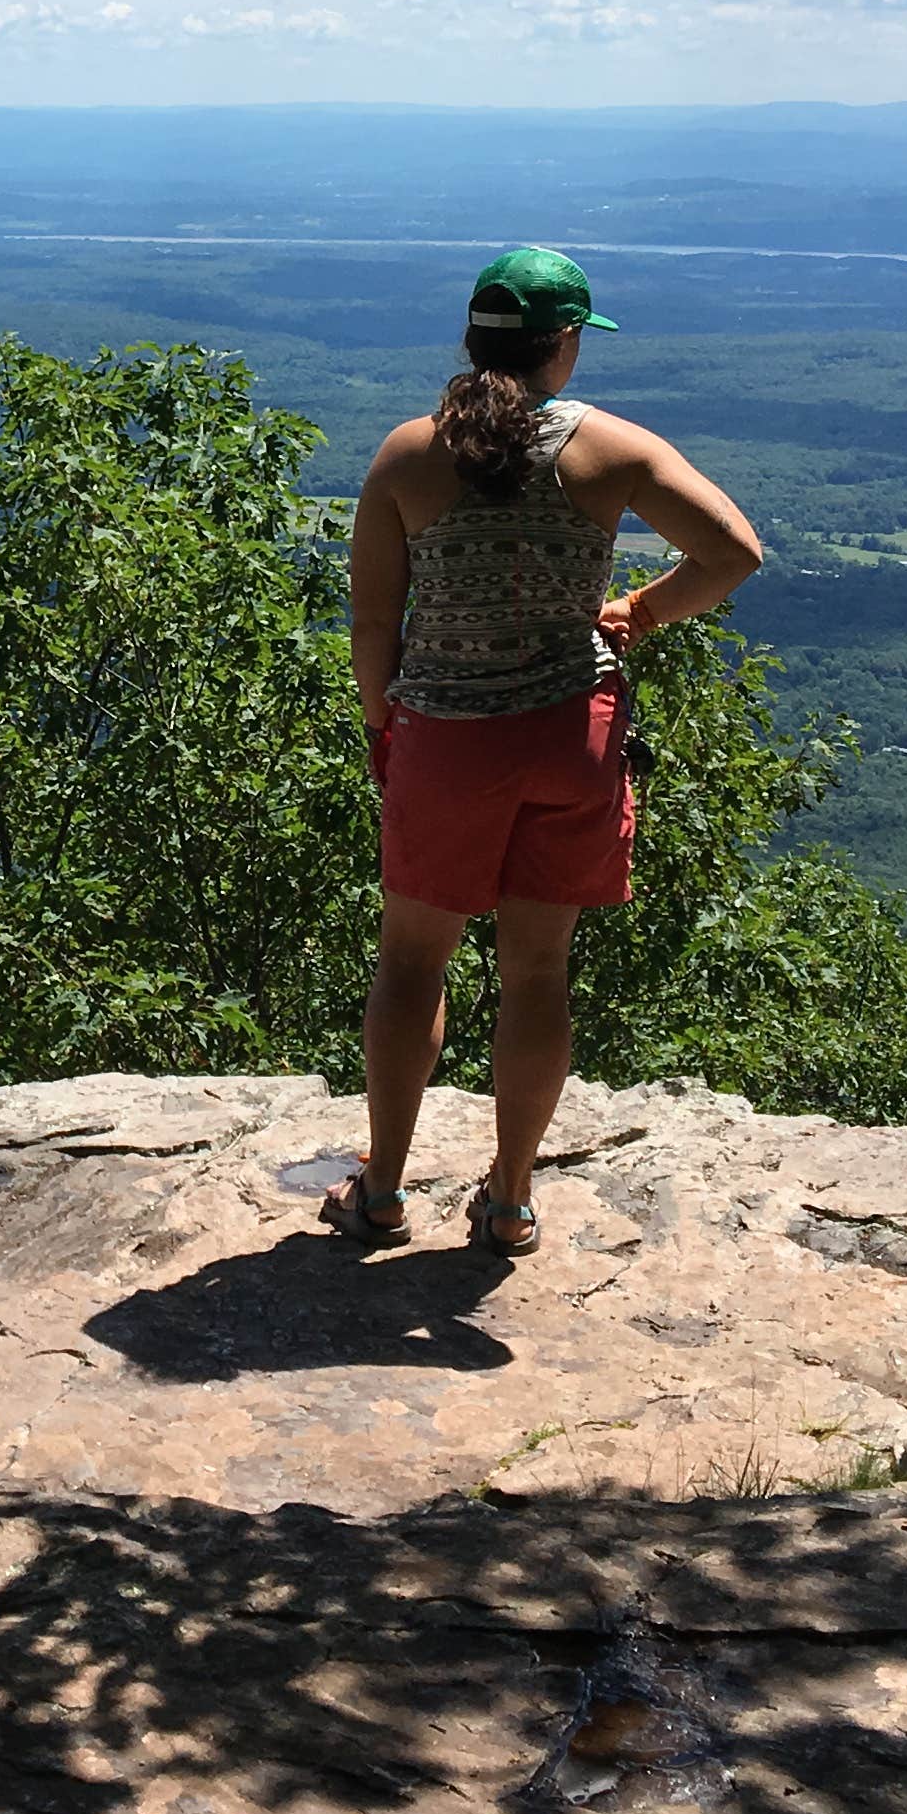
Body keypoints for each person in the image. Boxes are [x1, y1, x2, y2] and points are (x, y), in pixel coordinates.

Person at [329, 245, 763, 1256]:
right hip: (573, 738)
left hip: (445, 741)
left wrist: (381, 729)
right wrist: (640, 615)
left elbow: (370, 630)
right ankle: (512, 1199)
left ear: (474, 340)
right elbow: (733, 552)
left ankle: (383, 1192)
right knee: (537, 973)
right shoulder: (610, 450)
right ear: (563, 345)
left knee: (410, 965)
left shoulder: (406, 456)